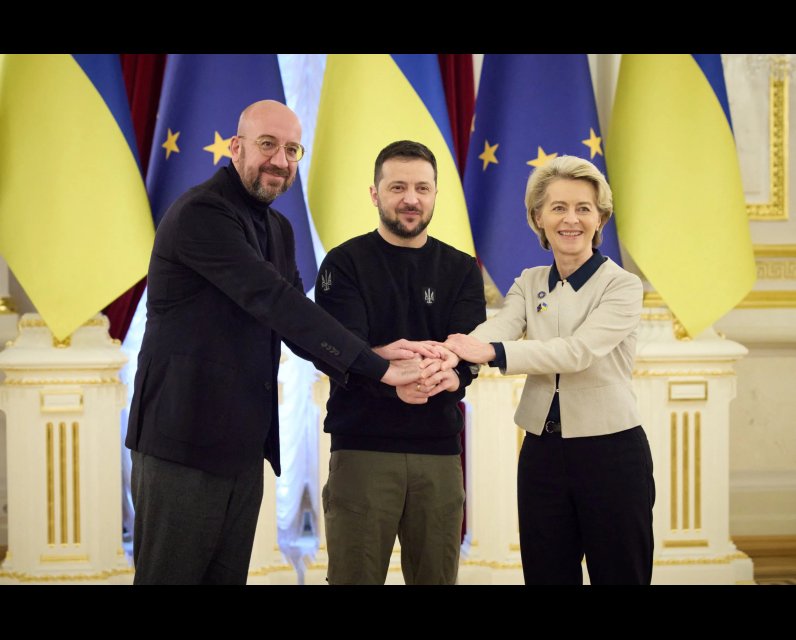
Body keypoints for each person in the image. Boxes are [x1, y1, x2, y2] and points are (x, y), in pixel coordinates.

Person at [125, 101, 431, 585]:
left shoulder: (278, 228)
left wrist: (371, 351)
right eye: (268, 145)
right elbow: (273, 301)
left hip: (242, 448)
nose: (280, 160)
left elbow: (301, 320)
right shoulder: (202, 213)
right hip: (181, 444)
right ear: (236, 147)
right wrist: (377, 368)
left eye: (292, 150)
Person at [444, 155, 655, 585]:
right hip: (542, 454)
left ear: (601, 219)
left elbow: (576, 353)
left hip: (612, 455)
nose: (570, 219)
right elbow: (499, 328)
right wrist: (453, 352)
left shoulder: (622, 286)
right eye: (558, 207)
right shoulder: (529, 281)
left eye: (583, 208)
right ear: (538, 217)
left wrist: (490, 351)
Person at [315, 140, 486, 585]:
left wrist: (440, 374)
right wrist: (393, 377)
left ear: (435, 194)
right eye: (398, 187)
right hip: (362, 450)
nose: (411, 198)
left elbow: (466, 350)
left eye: (422, 188)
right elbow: (338, 349)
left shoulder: (463, 268)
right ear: (375, 194)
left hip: (439, 452)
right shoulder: (343, 263)